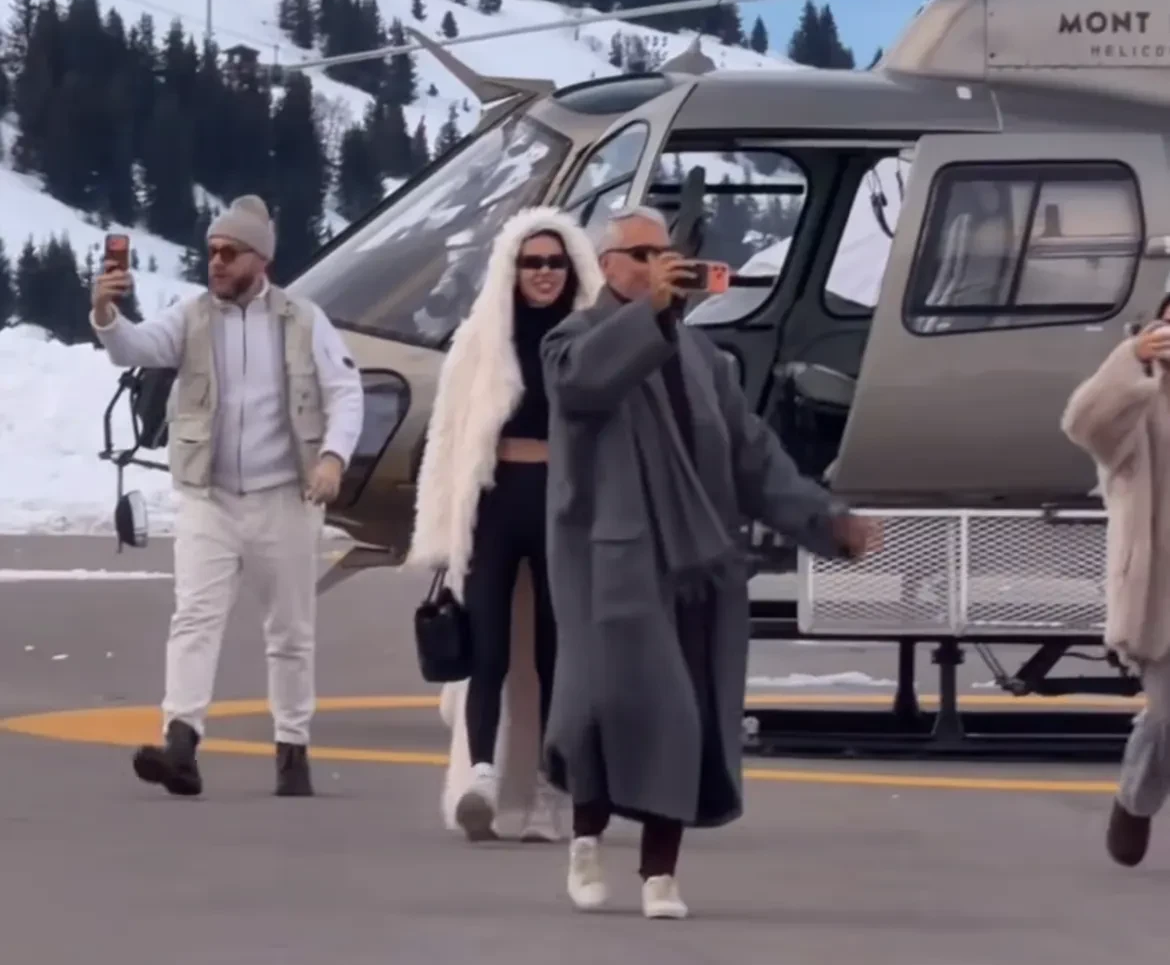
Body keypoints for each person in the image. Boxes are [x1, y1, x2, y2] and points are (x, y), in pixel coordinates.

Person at [539, 206, 882, 918]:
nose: (657, 267)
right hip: (613, 563)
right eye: (641, 256)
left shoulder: (705, 360)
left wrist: (826, 522)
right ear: (607, 266)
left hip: (700, 562)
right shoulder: (571, 341)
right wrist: (651, 316)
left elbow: (754, 459)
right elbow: (583, 387)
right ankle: (586, 838)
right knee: (605, 707)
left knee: (684, 714)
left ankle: (660, 874)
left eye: (665, 255)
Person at [90, 195, 364, 799]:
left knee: (290, 631)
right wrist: (106, 312)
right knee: (194, 618)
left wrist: (332, 458)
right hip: (208, 498)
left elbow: (346, 391)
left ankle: (292, 750)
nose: (216, 261)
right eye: (212, 251)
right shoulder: (189, 318)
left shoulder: (303, 320)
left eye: (229, 252)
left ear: (260, 260)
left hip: (285, 497)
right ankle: (180, 743)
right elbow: (132, 349)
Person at [408, 207, 603, 842]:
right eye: (531, 262)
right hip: (493, 503)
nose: (544, 273)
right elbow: (450, 437)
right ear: (511, 269)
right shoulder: (482, 338)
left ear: (572, 266)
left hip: (563, 504)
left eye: (555, 262)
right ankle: (483, 778)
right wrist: (443, 527)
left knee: (555, 654)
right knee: (488, 651)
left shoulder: (593, 336)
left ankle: (548, 788)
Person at [1061, 296, 1170, 866]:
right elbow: (1084, 424)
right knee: (1168, 715)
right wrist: (1131, 358)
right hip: (1162, 590)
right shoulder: (1141, 398)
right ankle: (1136, 799)